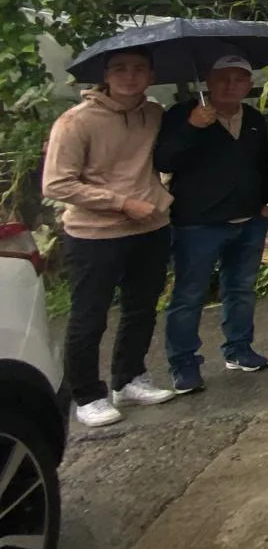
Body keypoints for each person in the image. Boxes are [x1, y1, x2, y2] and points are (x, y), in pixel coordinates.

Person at [43, 47, 176, 426]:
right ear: (105, 75)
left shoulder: (153, 114)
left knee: (141, 307)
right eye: (120, 69)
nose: (129, 76)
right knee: (89, 316)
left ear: (151, 75)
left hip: (150, 226)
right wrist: (120, 203)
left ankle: (129, 376)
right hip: (94, 233)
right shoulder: (75, 122)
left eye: (139, 68)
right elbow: (57, 183)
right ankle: (85, 394)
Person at [154, 55, 268, 394]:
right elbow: (163, 160)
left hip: (249, 218)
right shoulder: (182, 114)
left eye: (239, 79)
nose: (230, 85)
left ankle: (238, 349)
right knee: (189, 294)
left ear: (248, 86)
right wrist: (193, 126)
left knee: (240, 289)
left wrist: (267, 201)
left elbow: (260, 163)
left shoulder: (252, 117)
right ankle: (184, 363)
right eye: (223, 78)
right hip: (198, 223)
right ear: (208, 79)